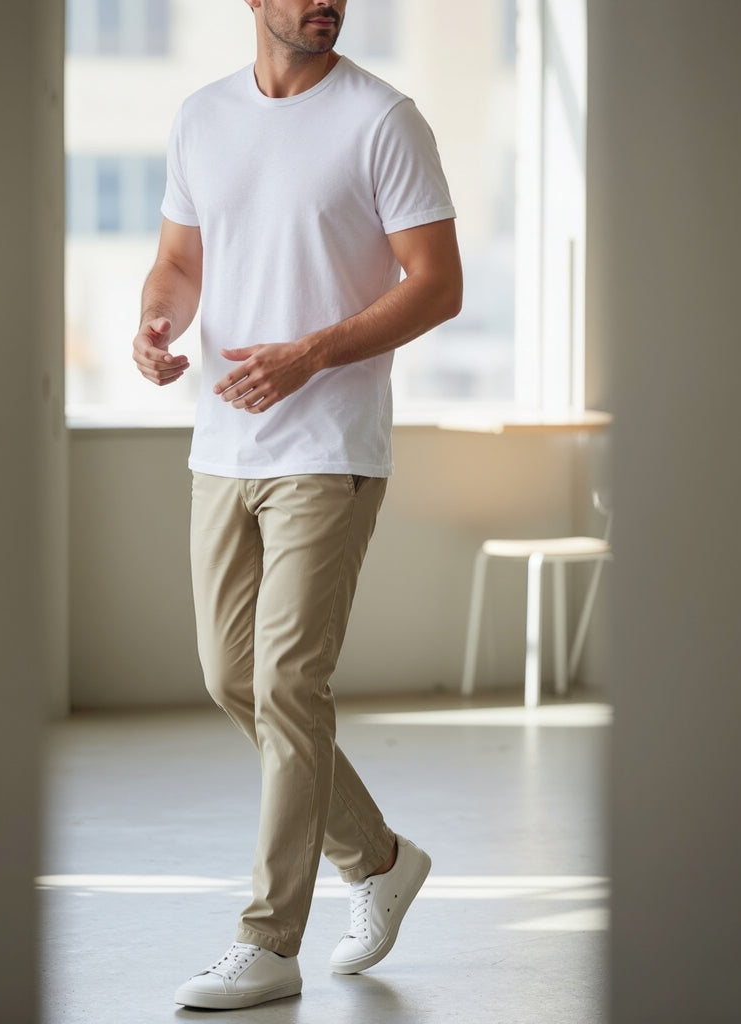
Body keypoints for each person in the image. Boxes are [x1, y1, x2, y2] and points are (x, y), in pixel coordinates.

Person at [131, 0, 463, 1011]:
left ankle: (269, 941)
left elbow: (436, 283)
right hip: (223, 444)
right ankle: (380, 859)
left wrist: (312, 351)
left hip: (328, 448)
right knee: (234, 675)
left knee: (286, 679)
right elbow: (181, 260)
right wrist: (154, 319)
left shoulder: (382, 118)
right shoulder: (202, 116)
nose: (324, 0)